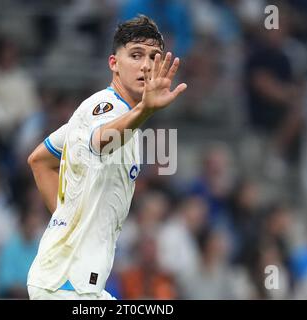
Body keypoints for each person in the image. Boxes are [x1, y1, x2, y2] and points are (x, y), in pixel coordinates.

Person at [26, 15, 187, 300]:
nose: (146, 65)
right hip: (65, 286)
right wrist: (145, 111)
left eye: (154, 57)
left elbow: (39, 160)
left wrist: (68, 224)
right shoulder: (104, 108)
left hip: (78, 285)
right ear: (114, 63)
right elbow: (101, 141)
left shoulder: (108, 115)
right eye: (136, 55)